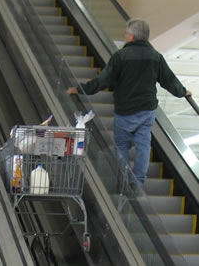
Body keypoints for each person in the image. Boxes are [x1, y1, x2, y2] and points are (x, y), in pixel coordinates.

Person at [67, 18, 192, 185]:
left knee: (122, 146)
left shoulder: (120, 56)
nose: (125, 36)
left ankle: (124, 181)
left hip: (124, 111)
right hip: (146, 110)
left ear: (132, 37)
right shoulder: (155, 57)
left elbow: (103, 80)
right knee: (143, 144)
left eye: (126, 34)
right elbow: (169, 80)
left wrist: (80, 89)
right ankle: (139, 180)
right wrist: (182, 92)